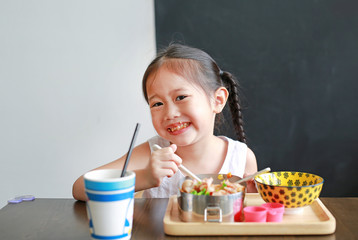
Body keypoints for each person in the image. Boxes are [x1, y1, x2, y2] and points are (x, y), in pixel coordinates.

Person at [72, 43, 257, 201]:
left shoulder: (241, 158)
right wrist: (145, 176)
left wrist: (253, 199)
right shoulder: (153, 153)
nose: (170, 113)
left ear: (217, 100)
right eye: (157, 103)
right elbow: (81, 187)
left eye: (181, 97)